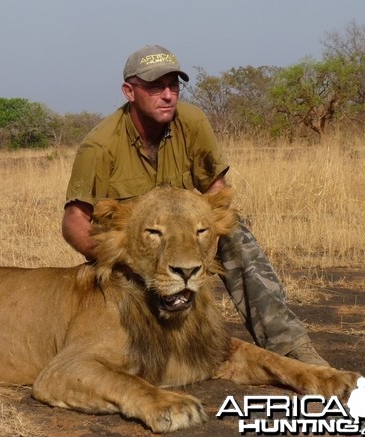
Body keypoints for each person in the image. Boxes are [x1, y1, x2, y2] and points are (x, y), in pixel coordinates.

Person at [61, 44, 328, 366]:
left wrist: (204, 247)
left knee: (237, 235)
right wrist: (125, 260)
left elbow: (217, 196)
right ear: (129, 92)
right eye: (155, 87)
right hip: (133, 253)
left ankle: (288, 344)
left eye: (173, 85)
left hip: (186, 239)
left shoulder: (193, 122)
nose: (168, 95)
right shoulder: (100, 145)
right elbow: (74, 221)